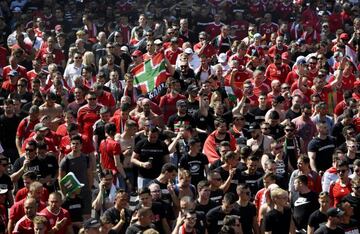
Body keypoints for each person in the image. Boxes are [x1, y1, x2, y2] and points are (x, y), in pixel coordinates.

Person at [59, 135, 92, 218]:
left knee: (86, 217)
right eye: (73, 143)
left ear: (81, 145)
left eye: (77, 143)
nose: (75, 145)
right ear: (70, 145)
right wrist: (65, 194)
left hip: (85, 193)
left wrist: (89, 189)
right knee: (73, 217)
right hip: (72, 195)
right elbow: (61, 179)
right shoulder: (65, 160)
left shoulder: (86, 158)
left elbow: (89, 174)